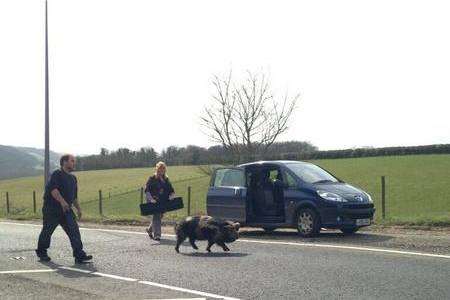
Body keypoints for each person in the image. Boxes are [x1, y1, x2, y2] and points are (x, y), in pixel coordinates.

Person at [36, 154, 92, 264]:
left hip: (66, 209)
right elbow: (53, 190)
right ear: (64, 162)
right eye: (72, 161)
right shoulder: (57, 174)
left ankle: (79, 255)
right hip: (52, 209)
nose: (73, 163)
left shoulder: (73, 178)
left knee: (74, 231)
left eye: (74, 161)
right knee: (47, 231)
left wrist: (79, 209)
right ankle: (42, 252)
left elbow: (74, 196)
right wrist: (62, 202)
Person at [145, 161, 175, 241]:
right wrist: (150, 199)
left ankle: (149, 229)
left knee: (159, 216)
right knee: (157, 216)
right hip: (154, 201)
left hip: (163, 201)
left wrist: (172, 195)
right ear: (157, 169)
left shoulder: (166, 179)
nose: (161, 171)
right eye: (160, 169)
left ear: (165, 170)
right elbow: (147, 190)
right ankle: (157, 235)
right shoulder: (152, 178)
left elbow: (171, 189)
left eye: (163, 169)